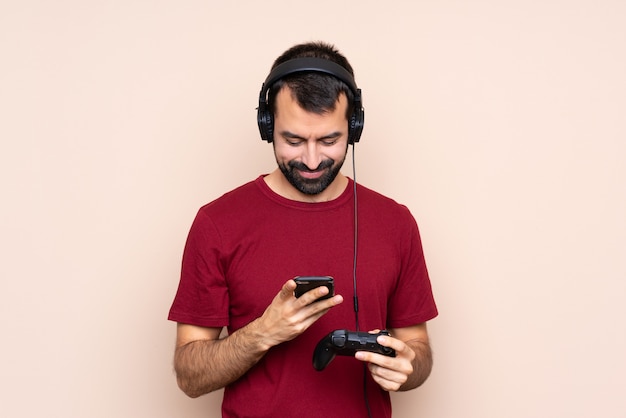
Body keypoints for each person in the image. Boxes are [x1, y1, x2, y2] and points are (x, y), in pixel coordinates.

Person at [168, 41, 438, 417]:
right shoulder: (217, 222)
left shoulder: (396, 223)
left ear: (354, 128)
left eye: (329, 140)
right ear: (267, 126)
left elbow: (418, 348)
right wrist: (263, 332)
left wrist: (407, 365)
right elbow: (188, 376)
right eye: (293, 140)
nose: (311, 160)